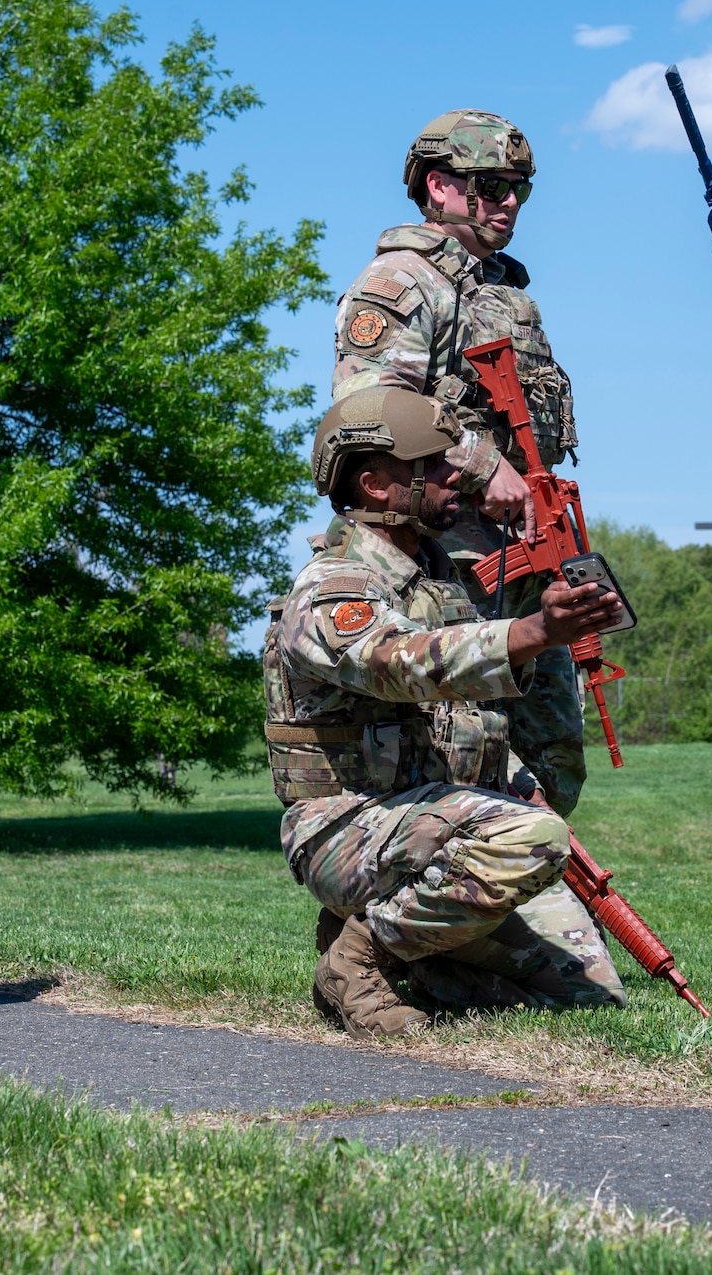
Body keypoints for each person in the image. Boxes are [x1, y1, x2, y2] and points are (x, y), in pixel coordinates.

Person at [268, 386, 627, 1038]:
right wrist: (528, 634)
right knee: (531, 842)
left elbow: (465, 719)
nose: (454, 472)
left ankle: (421, 963)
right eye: (430, 463)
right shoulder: (331, 586)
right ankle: (357, 959)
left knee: (589, 993)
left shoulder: (438, 582)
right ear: (376, 486)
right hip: (347, 827)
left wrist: (522, 786)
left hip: (436, 823)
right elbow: (394, 663)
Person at [329, 110, 588, 820]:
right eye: (492, 185)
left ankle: (518, 922)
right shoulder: (401, 282)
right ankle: (423, 922)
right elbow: (367, 410)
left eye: (519, 190)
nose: (509, 202)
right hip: (444, 567)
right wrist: (480, 462)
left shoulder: (500, 291)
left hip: (526, 559)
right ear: (439, 186)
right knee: (464, 754)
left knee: (553, 757)